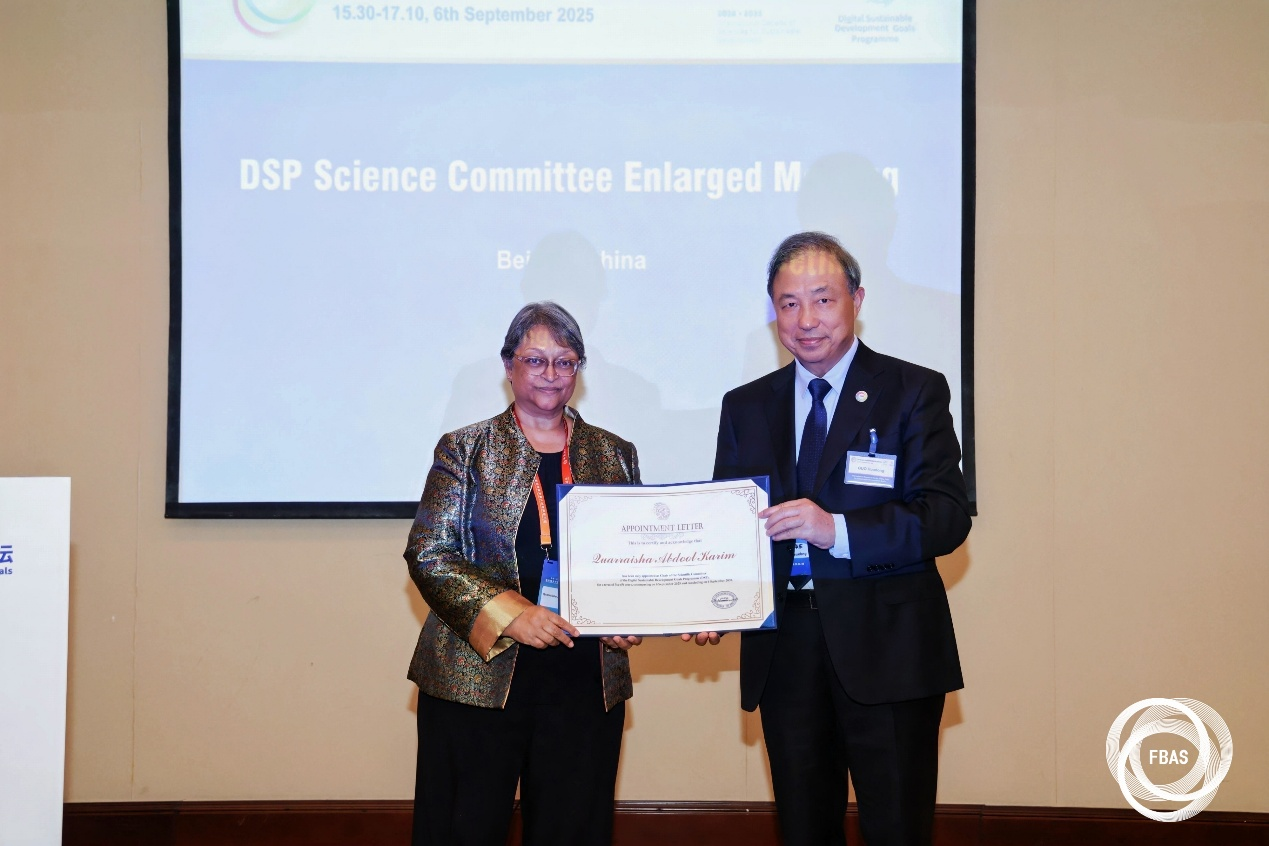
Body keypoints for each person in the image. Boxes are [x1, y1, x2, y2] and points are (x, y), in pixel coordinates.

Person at [688, 232, 971, 846]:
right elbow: (727, 526)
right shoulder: (746, 406)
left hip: (888, 648)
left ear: (856, 300)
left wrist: (835, 530)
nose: (806, 320)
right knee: (803, 827)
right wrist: (708, 600)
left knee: (896, 827)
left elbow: (946, 516)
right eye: (788, 304)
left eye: (822, 299)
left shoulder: (913, 391)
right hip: (785, 650)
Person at [405, 302, 642, 846]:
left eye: (565, 361)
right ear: (509, 365)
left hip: (583, 678)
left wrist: (629, 617)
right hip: (476, 677)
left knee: (574, 830)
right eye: (535, 360)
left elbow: (630, 559)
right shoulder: (465, 449)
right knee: (464, 828)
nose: (550, 374)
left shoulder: (615, 454)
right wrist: (511, 615)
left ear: (579, 369)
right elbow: (429, 553)